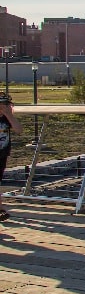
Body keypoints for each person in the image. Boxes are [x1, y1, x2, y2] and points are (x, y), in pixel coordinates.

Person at [0, 93, 24, 222]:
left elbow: (19, 130)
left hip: (2, 154)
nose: (7, 107)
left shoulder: (6, 119)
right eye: (5, 105)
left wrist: (9, 115)